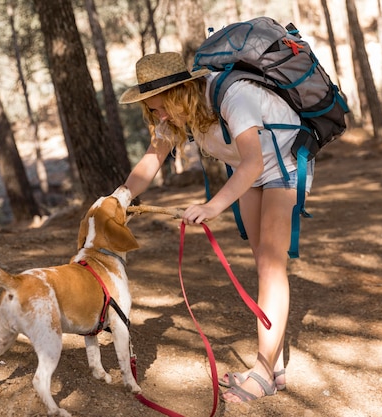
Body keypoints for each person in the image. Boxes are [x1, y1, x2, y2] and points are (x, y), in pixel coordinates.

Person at [118, 51, 314, 403]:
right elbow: (151, 160)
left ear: (179, 93)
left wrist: (212, 207)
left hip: (282, 164)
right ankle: (275, 366)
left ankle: (264, 373)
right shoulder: (175, 115)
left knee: (272, 266)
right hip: (252, 173)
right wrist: (120, 196)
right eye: (150, 110)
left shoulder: (234, 97)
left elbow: (254, 161)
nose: (156, 115)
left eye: (158, 106)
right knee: (263, 264)